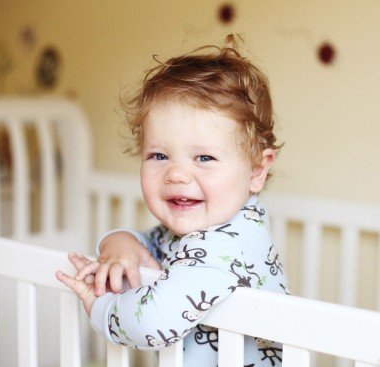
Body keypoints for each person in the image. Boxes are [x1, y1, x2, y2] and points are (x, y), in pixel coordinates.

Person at [56, 34, 289, 366]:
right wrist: (120, 243)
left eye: (204, 158)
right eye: (159, 155)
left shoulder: (226, 248)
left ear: (256, 171)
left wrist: (101, 307)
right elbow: (151, 245)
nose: (176, 174)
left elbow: (151, 323)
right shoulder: (207, 225)